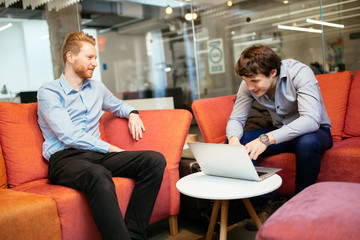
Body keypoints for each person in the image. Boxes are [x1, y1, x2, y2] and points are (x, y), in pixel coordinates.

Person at [37, 31, 166, 240]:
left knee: (154, 160)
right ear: (70, 57)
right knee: (98, 174)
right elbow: (68, 135)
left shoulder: (96, 88)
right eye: (90, 57)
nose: (95, 63)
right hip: (66, 159)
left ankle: (134, 235)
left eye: (95, 58)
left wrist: (133, 113)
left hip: (96, 155)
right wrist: (109, 148)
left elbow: (118, 106)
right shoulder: (49, 92)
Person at [226, 44, 333, 227]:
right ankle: (271, 202)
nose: (250, 86)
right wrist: (233, 141)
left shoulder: (300, 73)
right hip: (282, 133)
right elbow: (236, 119)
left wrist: (266, 139)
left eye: (255, 81)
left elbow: (310, 120)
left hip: (315, 133)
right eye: (246, 81)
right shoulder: (248, 82)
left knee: (306, 143)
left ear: (273, 72)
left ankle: (301, 204)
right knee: (239, 141)